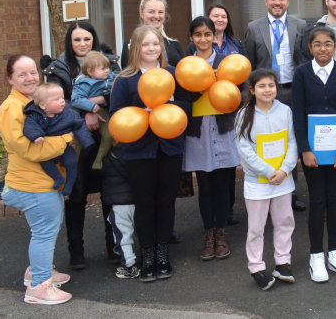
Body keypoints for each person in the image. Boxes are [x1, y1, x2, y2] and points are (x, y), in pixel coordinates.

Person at [109, 25, 193, 282]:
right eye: (145, 44)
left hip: (169, 147)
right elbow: (115, 116)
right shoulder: (124, 79)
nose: (151, 49)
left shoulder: (172, 74)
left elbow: (187, 107)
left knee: (166, 200)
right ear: (135, 48)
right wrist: (140, 111)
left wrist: (167, 106)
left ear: (162, 47)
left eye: (155, 44)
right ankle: (147, 253)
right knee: (145, 202)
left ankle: (163, 252)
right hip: (138, 151)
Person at [42, 21, 119, 269]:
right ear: (69, 42)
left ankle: (113, 247)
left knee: (111, 191)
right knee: (77, 195)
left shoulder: (108, 61)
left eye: (87, 39)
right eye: (77, 40)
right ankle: (76, 251)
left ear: (94, 40)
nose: (82, 44)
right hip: (75, 138)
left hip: (107, 134)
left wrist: (93, 105)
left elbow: (119, 90)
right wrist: (84, 113)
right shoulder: (59, 68)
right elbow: (56, 103)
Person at [0, 54, 73, 305]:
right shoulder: (13, 108)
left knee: (45, 230)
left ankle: (38, 271)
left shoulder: (32, 103)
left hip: (39, 182)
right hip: (31, 184)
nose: (30, 78)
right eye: (22, 74)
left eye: (33, 72)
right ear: (10, 79)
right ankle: (39, 287)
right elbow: (28, 150)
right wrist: (65, 139)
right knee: (44, 231)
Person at [292, 27, 336, 283]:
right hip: (313, 152)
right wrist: (304, 149)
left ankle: (335, 253)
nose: (323, 49)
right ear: (310, 47)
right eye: (317, 44)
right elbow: (298, 113)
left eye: (328, 44)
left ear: (335, 46)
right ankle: (316, 256)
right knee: (317, 200)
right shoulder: (301, 73)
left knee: (335, 198)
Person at [245, 0, 311, 212]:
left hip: (292, 92)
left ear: (288, 2)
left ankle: (289, 193)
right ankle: (265, 190)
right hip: (265, 94)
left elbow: (304, 61)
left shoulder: (300, 25)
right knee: (266, 141)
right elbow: (250, 66)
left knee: (289, 142)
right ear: (265, 1)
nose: (277, 2)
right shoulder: (254, 27)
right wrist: (251, 95)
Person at [184, 16, 241, 261]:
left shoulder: (226, 62)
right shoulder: (186, 66)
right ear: (191, 38)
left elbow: (244, 89)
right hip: (198, 131)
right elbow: (178, 96)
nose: (203, 39)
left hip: (223, 128)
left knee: (222, 183)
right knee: (205, 185)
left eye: (207, 34)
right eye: (198, 35)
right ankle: (209, 235)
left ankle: (222, 232)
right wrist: (194, 90)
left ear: (214, 35)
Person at [237, 69, 299, 290]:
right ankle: (256, 266)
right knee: (256, 227)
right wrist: (267, 171)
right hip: (258, 182)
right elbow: (244, 150)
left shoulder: (285, 111)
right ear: (252, 90)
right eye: (261, 86)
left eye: (271, 85)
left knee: (285, 222)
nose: (267, 90)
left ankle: (282, 262)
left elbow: (293, 142)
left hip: (282, 179)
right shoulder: (244, 114)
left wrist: (284, 170)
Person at [23, 83, 95, 197]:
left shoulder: (69, 113)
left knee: (71, 163)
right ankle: (58, 178)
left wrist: (87, 142)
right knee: (45, 163)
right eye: (57, 99)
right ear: (43, 105)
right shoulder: (35, 115)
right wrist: (36, 136)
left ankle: (69, 185)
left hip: (66, 147)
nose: (62, 101)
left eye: (62, 98)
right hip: (48, 148)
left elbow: (79, 124)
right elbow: (29, 126)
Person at [71, 51, 116, 168]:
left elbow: (121, 80)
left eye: (107, 67)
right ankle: (74, 162)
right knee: (82, 138)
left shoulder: (110, 76)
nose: (107, 70)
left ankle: (99, 160)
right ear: (90, 72)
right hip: (90, 112)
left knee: (108, 135)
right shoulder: (84, 83)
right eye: (102, 68)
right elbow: (76, 99)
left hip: (105, 112)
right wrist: (90, 106)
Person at [101, 144, 139, 279]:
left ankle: (129, 266)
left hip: (119, 204)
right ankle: (150, 261)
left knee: (123, 236)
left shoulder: (107, 157)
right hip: (138, 200)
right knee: (146, 232)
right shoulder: (136, 152)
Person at [120, 0, 184, 68]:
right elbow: (128, 75)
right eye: (151, 12)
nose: (156, 16)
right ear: (141, 14)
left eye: (160, 12)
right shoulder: (130, 45)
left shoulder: (174, 44)